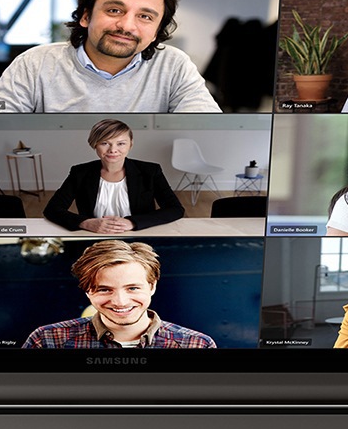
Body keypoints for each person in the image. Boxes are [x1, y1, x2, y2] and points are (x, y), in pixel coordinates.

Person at [0, 0, 221, 113]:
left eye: (145, 16)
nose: (127, 26)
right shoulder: (35, 63)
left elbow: (206, 124)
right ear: (85, 16)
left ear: (156, 32)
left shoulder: (174, 64)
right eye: (114, 10)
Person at [22, 240, 216, 348]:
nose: (120, 302)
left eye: (132, 288)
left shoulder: (197, 345)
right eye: (104, 289)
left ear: (152, 286)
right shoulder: (46, 340)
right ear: (88, 291)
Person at [42, 119, 184, 233]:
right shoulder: (80, 172)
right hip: (94, 236)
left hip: (139, 235)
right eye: (104, 143)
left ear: (130, 145)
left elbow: (175, 209)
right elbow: (53, 209)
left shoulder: (150, 171)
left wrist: (132, 222)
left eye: (121, 143)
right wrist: (86, 223)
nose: (113, 150)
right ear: (94, 145)